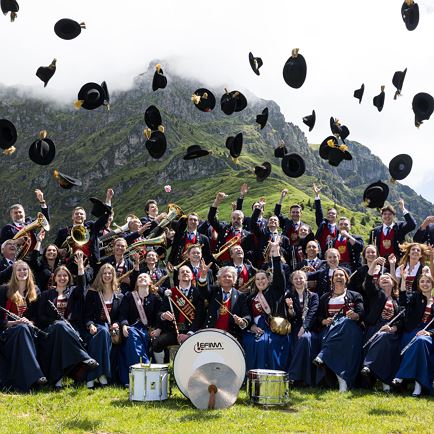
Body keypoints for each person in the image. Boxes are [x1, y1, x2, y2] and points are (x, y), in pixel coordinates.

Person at [37, 252, 98, 389]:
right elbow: (41, 316)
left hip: (70, 330)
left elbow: (82, 287)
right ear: (54, 278)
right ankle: (84, 358)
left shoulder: (74, 291)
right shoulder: (46, 294)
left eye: (65, 276)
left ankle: (57, 379)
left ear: (69, 278)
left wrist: (81, 267)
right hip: (50, 330)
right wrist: (55, 321)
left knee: (62, 334)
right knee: (59, 326)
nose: (62, 278)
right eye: (59, 275)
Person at [314, 268, 364, 392]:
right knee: (338, 339)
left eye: (342, 275)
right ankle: (342, 380)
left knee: (345, 320)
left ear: (346, 279)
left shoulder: (355, 295)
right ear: (332, 280)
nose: (339, 277)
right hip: (331, 329)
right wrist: (324, 321)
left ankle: (323, 355)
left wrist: (356, 316)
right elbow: (319, 316)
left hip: (351, 330)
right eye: (336, 275)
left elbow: (361, 312)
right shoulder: (325, 297)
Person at [243, 241, 290, 371]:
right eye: (257, 279)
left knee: (264, 342)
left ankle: (270, 374)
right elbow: (247, 315)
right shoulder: (250, 298)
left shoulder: (275, 291)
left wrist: (275, 254)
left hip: (272, 329)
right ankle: (251, 376)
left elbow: (279, 275)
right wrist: (251, 326)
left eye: (263, 278)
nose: (260, 281)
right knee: (249, 341)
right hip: (255, 329)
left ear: (269, 280)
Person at [0, 261, 46, 392]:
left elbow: (39, 317)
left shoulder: (35, 290)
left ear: (29, 272)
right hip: (8, 333)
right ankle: (36, 375)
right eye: (19, 270)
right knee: (21, 328)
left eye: (25, 270)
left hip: (29, 331)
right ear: (14, 273)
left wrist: (30, 323)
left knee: (24, 329)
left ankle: (28, 380)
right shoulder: (4, 290)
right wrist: (14, 323)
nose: (22, 272)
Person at [361, 257, 402, 391]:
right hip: (375, 328)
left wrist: (393, 328)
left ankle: (371, 368)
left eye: (387, 278)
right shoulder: (376, 294)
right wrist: (373, 264)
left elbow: (402, 319)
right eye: (381, 278)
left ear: (393, 282)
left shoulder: (397, 300)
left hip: (392, 331)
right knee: (381, 338)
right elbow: (367, 282)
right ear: (378, 282)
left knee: (386, 339)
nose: (384, 279)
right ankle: (380, 378)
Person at [392, 271, 434, 396]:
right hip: (413, 331)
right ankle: (418, 385)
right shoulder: (416, 297)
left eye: (428, 281)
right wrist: (404, 281)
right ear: (418, 284)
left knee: (421, 341)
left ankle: (400, 376)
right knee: (418, 342)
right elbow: (404, 301)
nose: (425, 284)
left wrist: (429, 333)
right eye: (422, 281)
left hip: (429, 334)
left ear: (432, 284)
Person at [118, 269, 162, 386]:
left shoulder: (156, 298)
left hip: (149, 332)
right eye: (139, 278)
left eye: (145, 277)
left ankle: (135, 376)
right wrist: (124, 325)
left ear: (150, 282)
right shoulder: (129, 296)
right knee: (131, 335)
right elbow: (122, 314)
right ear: (136, 283)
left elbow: (160, 315)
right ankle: (144, 372)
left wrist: (159, 329)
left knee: (132, 340)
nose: (142, 278)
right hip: (131, 330)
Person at [153, 265, 205, 362]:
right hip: (173, 331)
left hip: (191, 332)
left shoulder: (197, 293)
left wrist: (189, 334)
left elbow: (200, 316)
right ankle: (162, 368)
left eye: (187, 272)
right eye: (182, 272)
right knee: (157, 343)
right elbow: (160, 312)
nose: (185, 273)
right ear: (178, 277)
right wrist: (163, 316)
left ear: (192, 276)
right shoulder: (171, 293)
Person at [84, 263, 123, 388]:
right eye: (104, 273)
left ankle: (92, 375)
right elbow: (87, 315)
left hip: (112, 327)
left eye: (109, 273)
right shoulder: (93, 293)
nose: (107, 275)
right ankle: (102, 375)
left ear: (113, 276)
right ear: (100, 275)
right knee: (102, 333)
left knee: (103, 334)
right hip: (96, 325)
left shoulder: (119, 295)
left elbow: (120, 315)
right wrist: (90, 325)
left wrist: (117, 323)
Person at [198, 264, 251, 341]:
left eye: (229, 276)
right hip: (211, 334)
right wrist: (203, 276)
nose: (227, 278)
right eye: (224, 276)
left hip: (231, 337)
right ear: (219, 279)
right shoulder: (213, 291)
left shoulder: (240, 296)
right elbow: (203, 291)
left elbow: (247, 315)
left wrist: (241, 321)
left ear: (234, 280)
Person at [286, 270, 320, 386]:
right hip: (294, 328)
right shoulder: (289, 295)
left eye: (301, 278)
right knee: (301, 339)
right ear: (292, 281)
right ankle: (300, 378)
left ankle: (292, 375)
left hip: (310, 328)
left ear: (306, 280)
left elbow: (312, 314)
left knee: (305, 338)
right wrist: (290, 308)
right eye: (296, 278)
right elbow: (290, 317)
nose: (298, 281)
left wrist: (304, 327)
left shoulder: (313, 296)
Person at [207, 192, 251, 264]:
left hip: (239, 264)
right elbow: (211, 218)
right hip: (222, 263)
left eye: (238, 219)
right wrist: (217, 201)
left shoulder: (248, 235)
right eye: (234, 218)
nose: (236, 220)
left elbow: (250, 252)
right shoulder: (224, 229)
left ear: (242, 220)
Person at [312, 184, 338, 256]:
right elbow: (319, 212)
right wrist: (317, 195)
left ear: (336, 216)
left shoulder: (339, 229)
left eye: (333, 213)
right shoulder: (322, 224)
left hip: (334, 257)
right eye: (329, 213)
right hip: (321, 255)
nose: (331, 215)